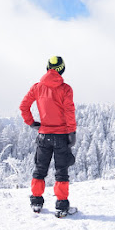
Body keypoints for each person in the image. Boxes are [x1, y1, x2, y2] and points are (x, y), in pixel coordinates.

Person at [19, 56, 77, 215]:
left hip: (43, 135)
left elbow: (23, 107)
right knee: (61, 171)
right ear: (62, 69)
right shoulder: (65, 89)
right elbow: (69, 112)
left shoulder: (37, 87)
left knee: (40, 169)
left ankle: (36, 203)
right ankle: (62, 206)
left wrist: (31, 123)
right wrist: (72, 132)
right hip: (61, 136)